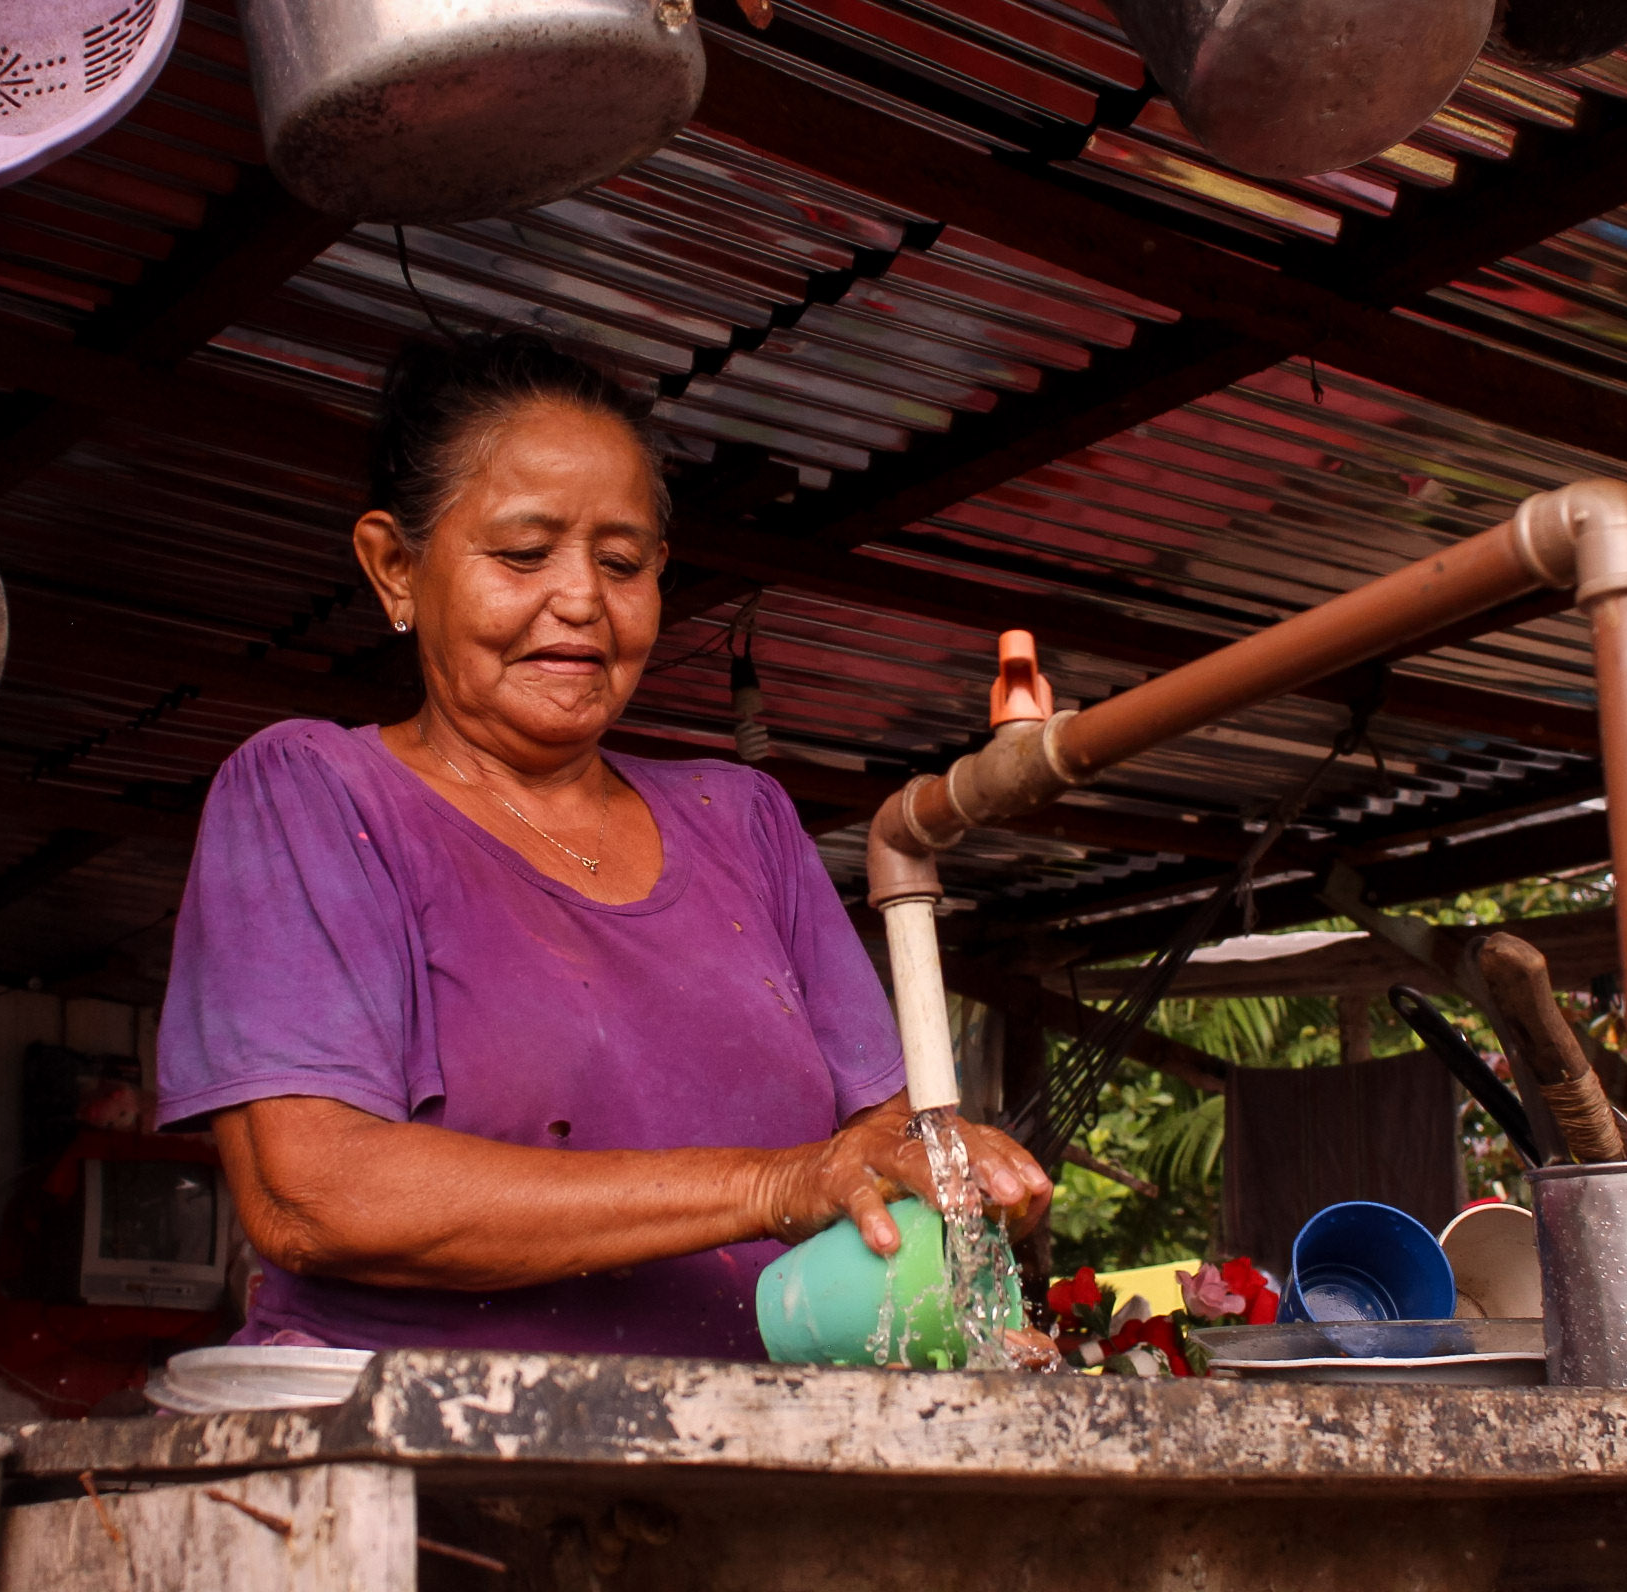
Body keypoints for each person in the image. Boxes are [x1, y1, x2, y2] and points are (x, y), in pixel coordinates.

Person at [155, 332, 1052, 1357]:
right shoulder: (312, 794)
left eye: (620, 562)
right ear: (395, 567)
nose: (581, 599)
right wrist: (769, 1184)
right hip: (424, 1472)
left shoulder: (747, 823)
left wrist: (956, 1234)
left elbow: (884, 1163)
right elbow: (312, 1193)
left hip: (746, 1468)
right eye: (523, 554)